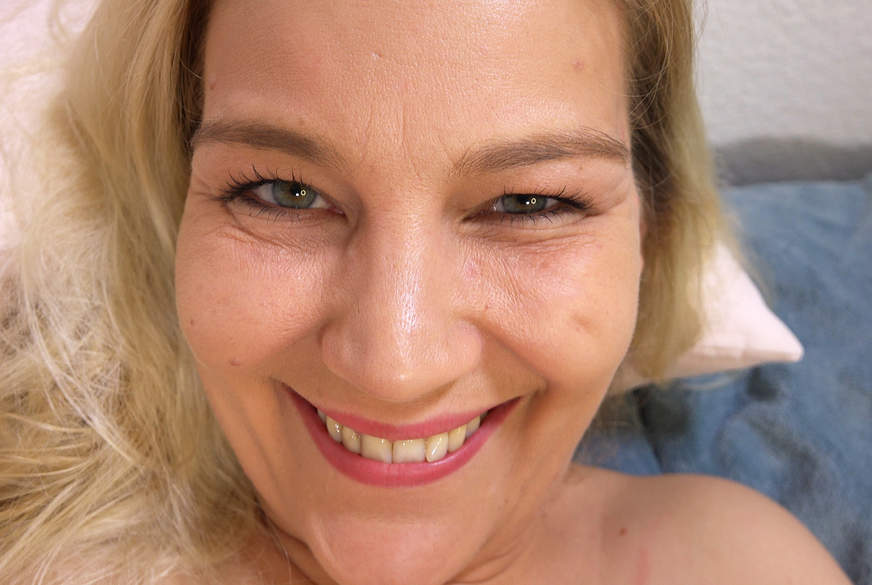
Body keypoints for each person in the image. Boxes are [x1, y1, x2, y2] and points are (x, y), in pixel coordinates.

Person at [0, 1, 853, 583]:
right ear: (170, 213)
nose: (393, 364)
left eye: (528, 203)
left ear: (651, 234)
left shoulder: (738, 562)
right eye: (285, 192)